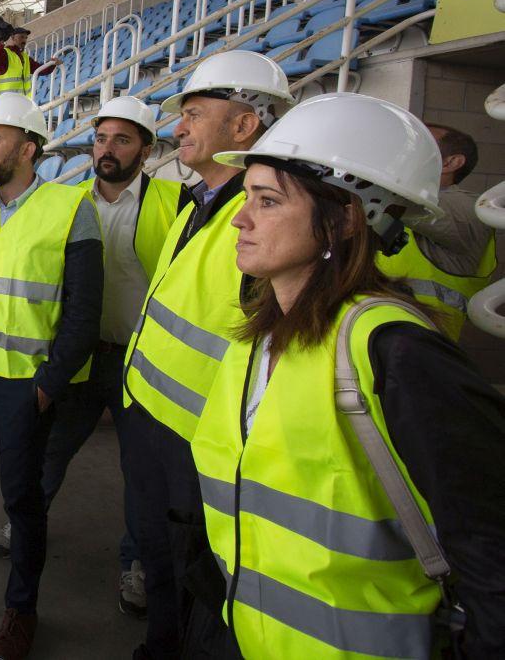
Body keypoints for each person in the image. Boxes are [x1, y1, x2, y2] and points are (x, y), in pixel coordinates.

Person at [191, 92, 505, 658]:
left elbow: (493, 558)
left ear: (345, 217)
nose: (240, 217)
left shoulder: (400, 354)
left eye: (266, 201)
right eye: (246, 197)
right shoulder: (259, 337)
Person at [120, 50, 294, 660]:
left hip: (200, 441)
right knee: (159, 557)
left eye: (194, 113)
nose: (177, 128)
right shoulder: (195, 202)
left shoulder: (263, 224)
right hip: (147, 415)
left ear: (244, 126)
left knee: (197, 574)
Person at [0, 95, 188, 619]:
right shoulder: (67, 201)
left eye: (122, 140)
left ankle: (138, 561)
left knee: (142, 473)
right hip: (78, 356)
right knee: (49, 451)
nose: (107, 149)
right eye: (101, 138)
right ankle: (25, 518)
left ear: (147, 149)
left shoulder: (176, 203)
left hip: (142, 362)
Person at [0, 93, 103, 660]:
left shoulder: (70, 207)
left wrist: (47, 385)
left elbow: (84, 313)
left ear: (28, 149)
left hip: (21, 387)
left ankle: (20, 610)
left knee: (23, 502)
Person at [377, 122, 497, 339]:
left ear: (452, 162)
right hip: (371, 331)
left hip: (420, 341)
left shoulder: (468, 208)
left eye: (418, 144)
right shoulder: (388, 206)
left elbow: (401, 202)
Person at [0, 24, 34, 98]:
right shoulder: (5, 53)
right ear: (13, 38)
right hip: (3, 103)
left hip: (21, 102)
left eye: (26, 38)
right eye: (21, 37)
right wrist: (1, 43)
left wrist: (53, 63)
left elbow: (40, 68)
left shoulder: (25, 57)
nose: (24, 40)